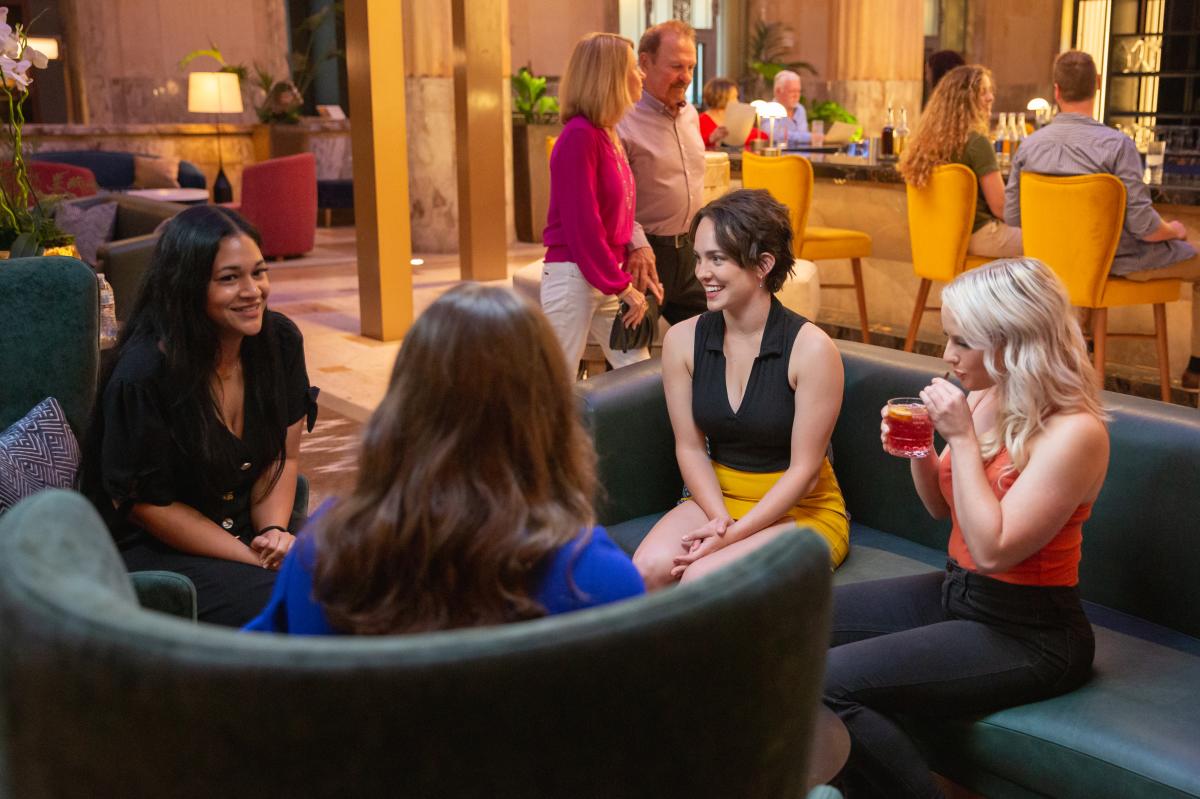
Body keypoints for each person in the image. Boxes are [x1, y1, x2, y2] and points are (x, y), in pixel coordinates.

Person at [822, 258, 1108, 798]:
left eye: (961, 341)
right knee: (796, 621)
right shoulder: (984, 395)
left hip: (1031, 632)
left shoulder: (1076, 433)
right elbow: (938, 508)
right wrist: (921, 452)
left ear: (1011, 341)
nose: (947, 355)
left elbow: (994, 548)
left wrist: (960, 441)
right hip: (959, 593)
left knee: (827, 683)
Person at [245, 285, 645, 635]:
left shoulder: (325, 554)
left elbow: (258, 680)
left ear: (402, 408)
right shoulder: (597, 580)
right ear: (551, 417)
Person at [85, 205, 317, 627]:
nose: (253, 291)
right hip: (160, 548)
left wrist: (274, 534)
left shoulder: (279, 342)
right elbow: (149, 508)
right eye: (230, 278)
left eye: (259, 272)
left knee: (358, 579)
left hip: (249, 528)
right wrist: (250, 557)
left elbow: (284, 458)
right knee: (289, 606)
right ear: (189, 287)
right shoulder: (144, 376)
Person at [632, 189, 849, 590]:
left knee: (701, 577)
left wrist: (731, 536)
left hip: (801, 512)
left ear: (763, 265)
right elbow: (690, 447)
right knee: (646, 569)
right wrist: (718, 520)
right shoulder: (682, 341)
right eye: (699, 258)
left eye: (717, 259)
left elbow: (804, 473)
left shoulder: (812, 349)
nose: (701, 273)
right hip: (718, 497)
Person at [1005, 50, 1199, 389]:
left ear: (1056, 91)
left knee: (1089, 251)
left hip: (1051, 267)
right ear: (1097, 85)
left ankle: (1083, 346)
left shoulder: (1029, 147)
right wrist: (1174, 230)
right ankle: (1196, 367)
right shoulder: (1117, 146)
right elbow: (1144, 227)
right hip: (1113, 264)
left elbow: (1013, 217)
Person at [541, 32, 659, 374]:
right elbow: (584, 228)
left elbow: (617, 219)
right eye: (635, 67)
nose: (642, 75)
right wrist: (621, 286)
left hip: (604, 274)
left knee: (636, 370)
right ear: (610, 77)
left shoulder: (608, 134)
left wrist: (626, 272)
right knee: (557, 382)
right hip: (573, 275)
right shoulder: (579, 136)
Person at [617, 19, 708, 326]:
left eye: (691, 68)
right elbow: (615, 198)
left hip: (691, 254)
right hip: (644, 256)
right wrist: (637, 245)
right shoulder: (622, 119)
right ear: (645, 63)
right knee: (631, 352)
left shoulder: (690, 114)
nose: (686, 77)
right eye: (676, 67)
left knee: (716, 341)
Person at [899, 64, 1022, 258]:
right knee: (1047, 238)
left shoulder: (925, 144)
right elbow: (1001, 208)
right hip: (979, 237)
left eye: (990, 91)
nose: (991, 97)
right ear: (965, 100)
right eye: (982, 92)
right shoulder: (977, 143)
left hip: (943, 240)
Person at [698, 76, 768, 150]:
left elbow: (761, 136)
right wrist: (711, 138)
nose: (737, 102)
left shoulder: (735, 118)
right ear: (721, 97)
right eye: (734, 97)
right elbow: (692, 145)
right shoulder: (701, 121)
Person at [771, 70, 811, 147]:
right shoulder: (767, 110)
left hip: (801, 156)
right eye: (792, 91)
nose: (796, 95)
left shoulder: (800, 109)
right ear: (778, 91)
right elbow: (774, 135)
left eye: (798, 91)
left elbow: (803, 135)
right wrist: (809, 137)